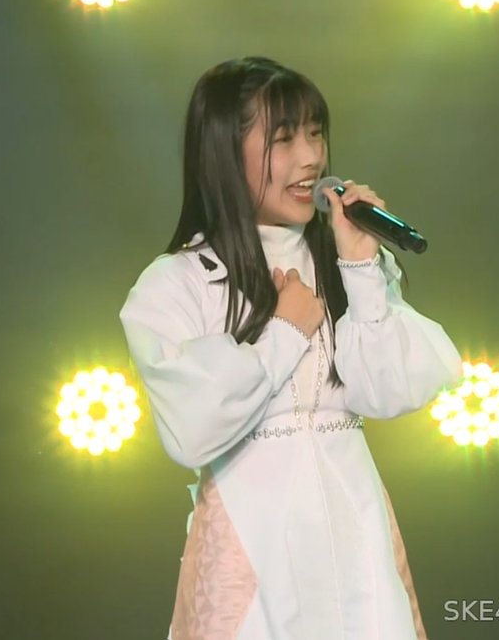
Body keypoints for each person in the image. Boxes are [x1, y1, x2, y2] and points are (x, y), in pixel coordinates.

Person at [119, 56, 462, 640]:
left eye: (315, 133)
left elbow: (388, 392)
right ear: (223, 152)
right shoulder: (177, 282)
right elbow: (191, 429)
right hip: (252, 547)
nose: (311, 158)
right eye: (284, 139)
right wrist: (283, 332)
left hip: (356, 531)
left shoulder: (347, 262)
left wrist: (361, 267)